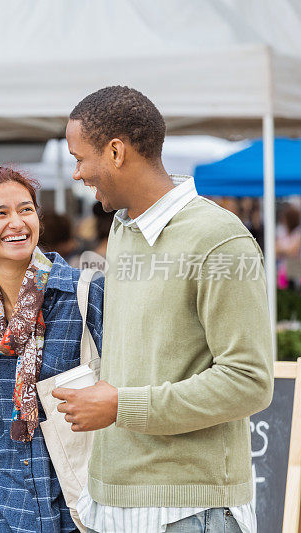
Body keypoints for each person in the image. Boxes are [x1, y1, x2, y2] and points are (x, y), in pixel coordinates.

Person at [54, 86, 273, 533]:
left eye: (80, 159)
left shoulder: (218, 238)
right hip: (114, 502)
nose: (77, 173)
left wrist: (121, 406)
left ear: (116, 152)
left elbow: (250, 381)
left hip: (190, 511)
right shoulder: (123, 231)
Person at [0, 166, 103, 533]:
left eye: (26, 209)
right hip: (8, 508)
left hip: (86, 505)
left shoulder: (85, 296)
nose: (17, 222)